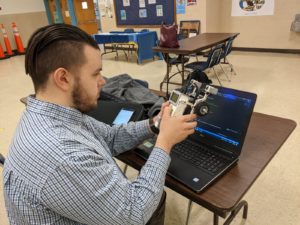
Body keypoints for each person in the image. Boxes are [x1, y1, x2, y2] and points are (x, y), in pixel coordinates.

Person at [3, 24, 197, 225]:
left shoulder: (54, 113)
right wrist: (164, 142)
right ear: (63, 78)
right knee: (152, 201)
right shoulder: (64, 156)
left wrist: (154, 124)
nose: (103, 81)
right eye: (95, 73)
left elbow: (110, 136)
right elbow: (134, 213)